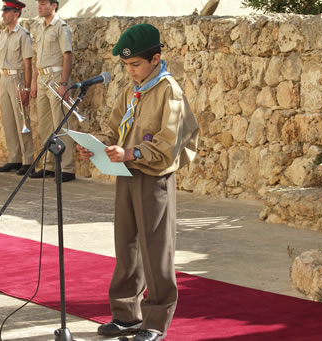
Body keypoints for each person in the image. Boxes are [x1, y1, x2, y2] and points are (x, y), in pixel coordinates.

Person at [76, 24, 199, 341]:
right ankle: (127, 314)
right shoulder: (134, 90)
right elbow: (116, 128)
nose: (130, 71)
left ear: (155, 59)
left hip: (153, 177)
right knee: (126, 245)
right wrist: (96, 144)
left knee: (156, 249)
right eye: (126, 66)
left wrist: (131, 151)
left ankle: (156, 320)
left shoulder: (168, 91)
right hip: (127, 173)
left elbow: (169, 144)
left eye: (135, 65)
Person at [30, 0, 76, 182]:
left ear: (53, 5)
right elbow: (36, 58)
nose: (39, 7)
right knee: (45, 124)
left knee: (61, 123)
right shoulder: (40, 28)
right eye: (38, 3)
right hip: (42, 79)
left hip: (57, 78)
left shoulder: (61, 27)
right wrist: (34, 82)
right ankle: (49, 165)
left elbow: (67, 55)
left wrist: (64, 83)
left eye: (43, 3)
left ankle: (66, 167)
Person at [0, 0, 35, 176]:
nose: (3, 14)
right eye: (3, 11)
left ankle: (27, 161)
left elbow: (28, 65)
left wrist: (26, 89)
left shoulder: (23, 35)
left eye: (7, 11)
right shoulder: (3, 34)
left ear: (16, 14)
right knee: (8, 120)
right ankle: (14, 158)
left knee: (22, 121)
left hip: (17, 78)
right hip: (4, 78)